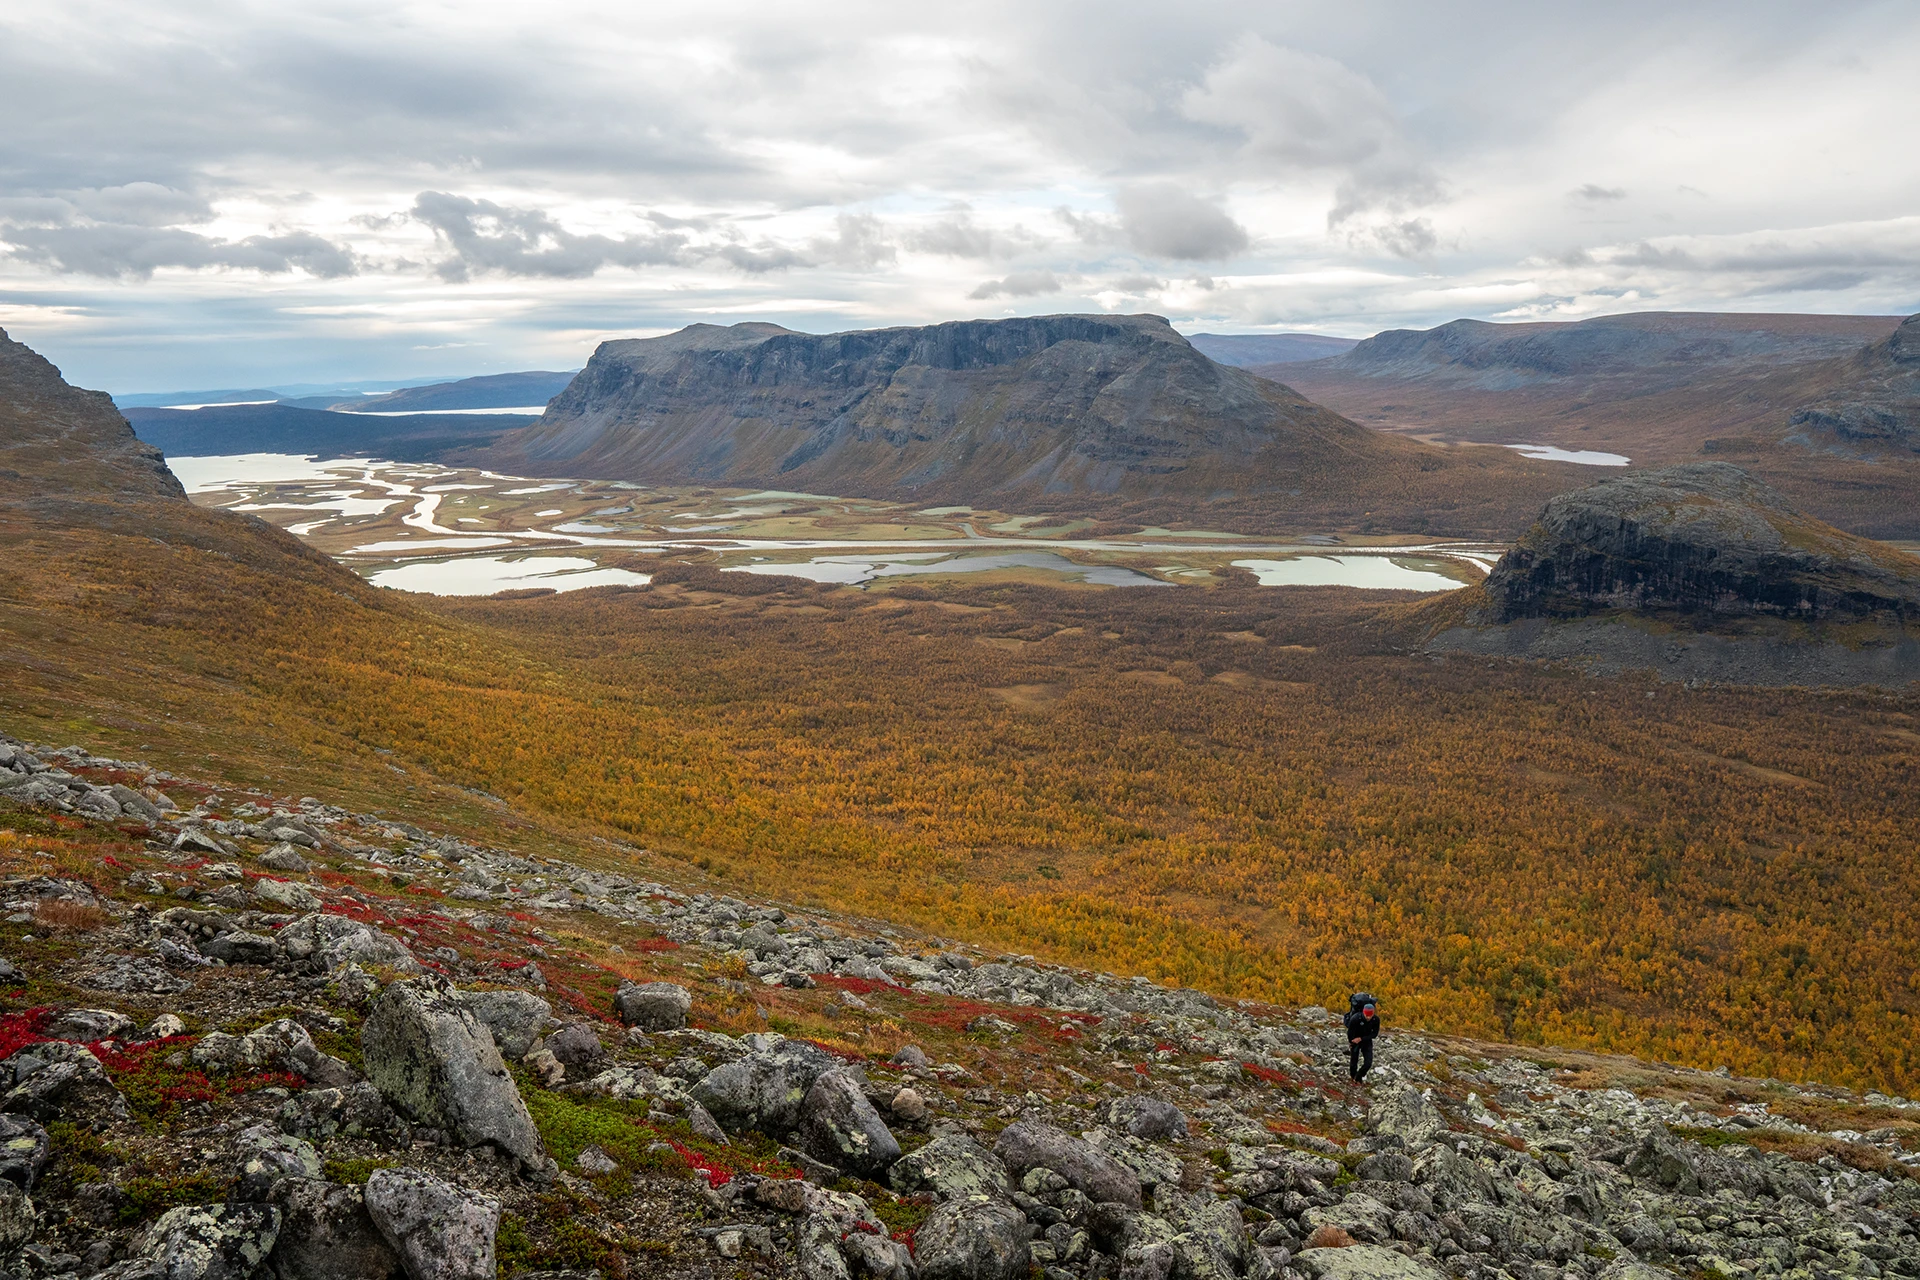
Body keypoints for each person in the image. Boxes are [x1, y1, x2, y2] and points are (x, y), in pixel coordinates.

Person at [1345, 998, 1380, 1082]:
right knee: (1354, 1061)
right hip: (1355, 1040)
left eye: (1370, 1016)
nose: (1368, 1017)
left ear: (1373, 1014)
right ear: (1363, 1012)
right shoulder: (1355, 1018)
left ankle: (1359, 1075)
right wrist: (1351, 1042)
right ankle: (1353, 1078)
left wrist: (1361, 1039)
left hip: (1366, 1040)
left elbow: (1374, 1034)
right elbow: (1350, 1032)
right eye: (1366, 1015)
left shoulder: (1376, 1020)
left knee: (1368, 1062)